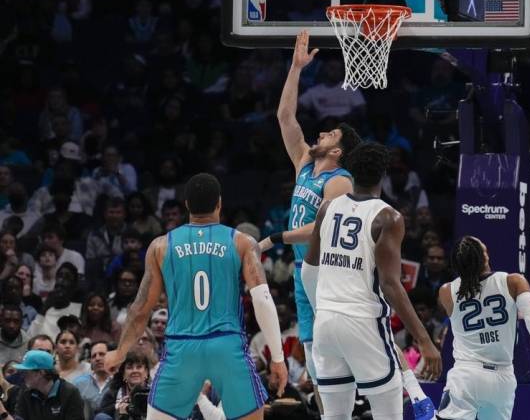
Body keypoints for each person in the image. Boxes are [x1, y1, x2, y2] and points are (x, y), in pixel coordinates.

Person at [105, 173, 288, 420]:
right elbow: (262, 299)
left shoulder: (161, 246)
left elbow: (140, 309)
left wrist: (119, 352)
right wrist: (277, 358)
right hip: (227, 345)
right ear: (219, 203)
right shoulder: (242, 242)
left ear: (187, 205)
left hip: (182, 347)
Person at [303, 142, 442, 420]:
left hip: (326, 323)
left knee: (334, 416)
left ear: (350, 172)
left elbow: (308, 269)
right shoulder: (388, 216)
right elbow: (390, 285)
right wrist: (424, 340)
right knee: (388, 412)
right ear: (384, 174)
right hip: (362, 321)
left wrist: (323, 310)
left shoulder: (326, 208)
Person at [258, 30, 361, 395]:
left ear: (338, 152)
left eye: (331, 135)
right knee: (314, 356)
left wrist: (274, 238)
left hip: (329, 272)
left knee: (338, 352)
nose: (321, 134)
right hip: (304, 271)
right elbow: (285, 116)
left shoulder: (341, 182)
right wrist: (296, 68)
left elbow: (320, 229)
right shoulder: (304, 163)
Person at [436, 235, 530, 419]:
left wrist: (512, 313)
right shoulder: (514, 281)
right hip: (501, 380)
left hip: (466, 376)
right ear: (485, 256)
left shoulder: (446, 291)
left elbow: (477, 306)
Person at [12, 349, 85, 420]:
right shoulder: (25, 391)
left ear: (41, 373)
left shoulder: (70, 393)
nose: (23, 376)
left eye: (26, 372)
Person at [96, 350, 150, 420]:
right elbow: (98, 413)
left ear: (146, 372)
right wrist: (118, 406)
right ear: (123, 374)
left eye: (139, 367)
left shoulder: (155, 392)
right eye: (129, 368)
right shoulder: (113, 393)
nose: (134, 371)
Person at [73, 341, 112, 419]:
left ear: (112, 356)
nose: (97, 358)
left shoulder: (119, 382)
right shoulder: (78, 384)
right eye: (94, 356)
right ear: (90, 362)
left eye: (102, 354)